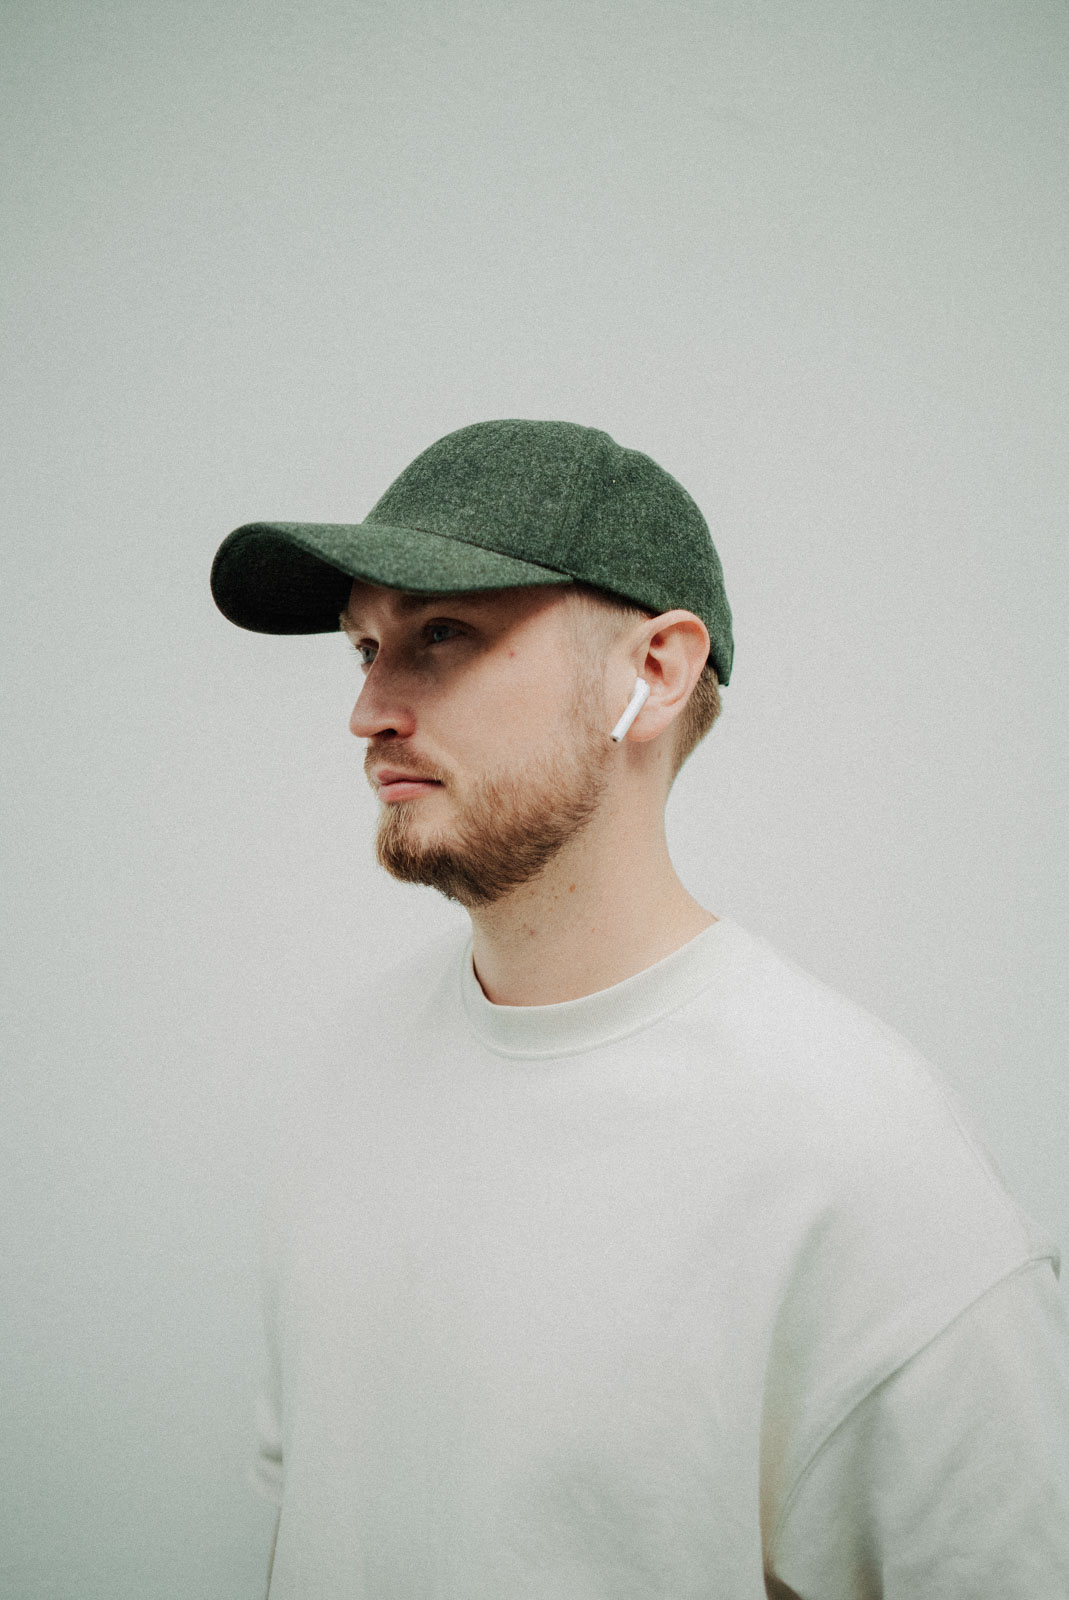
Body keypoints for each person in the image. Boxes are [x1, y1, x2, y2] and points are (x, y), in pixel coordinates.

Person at [210, 419, 1069, 1599]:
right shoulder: (346, 1073)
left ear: (653, 673)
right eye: (363, 647)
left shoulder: (866, 1163)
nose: (368, 711)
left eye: (441, 635)